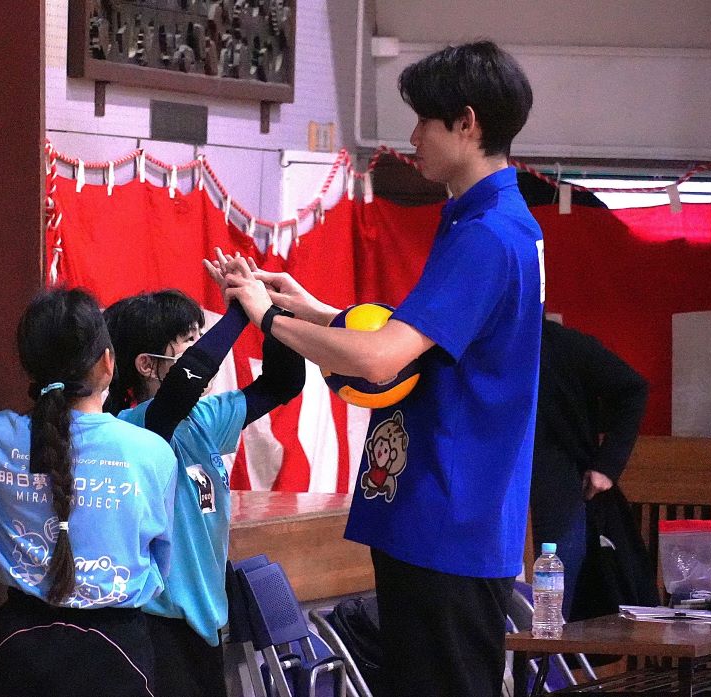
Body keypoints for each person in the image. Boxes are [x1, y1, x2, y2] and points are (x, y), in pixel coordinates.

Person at [208, 41, 542, 697]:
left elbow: (380, 356)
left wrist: (267, 319)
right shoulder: (491, 220)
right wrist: (307, 306)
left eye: (423, 120)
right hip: (450, 513)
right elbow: (416, 339)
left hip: (447, 515)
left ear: (466, 123)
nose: (411, 137)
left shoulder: (487, 234)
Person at [0, 287, 177, 697]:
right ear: (108, 362)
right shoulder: (151, 452)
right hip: (118, 649)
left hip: (22, 646)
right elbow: (161, 556)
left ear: (31, 368)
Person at [103, 288, 305, 697]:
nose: (203, 350)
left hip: (206, 625)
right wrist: (240, 312)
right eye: (189, 341)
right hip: (154, 626)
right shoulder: (131, 428)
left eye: (200, 337)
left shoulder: (205, 418)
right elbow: (185, 382)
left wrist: (271, 313)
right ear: (147, 365)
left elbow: (283, 382)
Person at [532, 316, 649, 620]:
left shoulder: (560, 343)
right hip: (492, 494)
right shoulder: (476, 343)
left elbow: (632, 388)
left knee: (551, 612)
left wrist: (607, 466)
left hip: (555, 489)